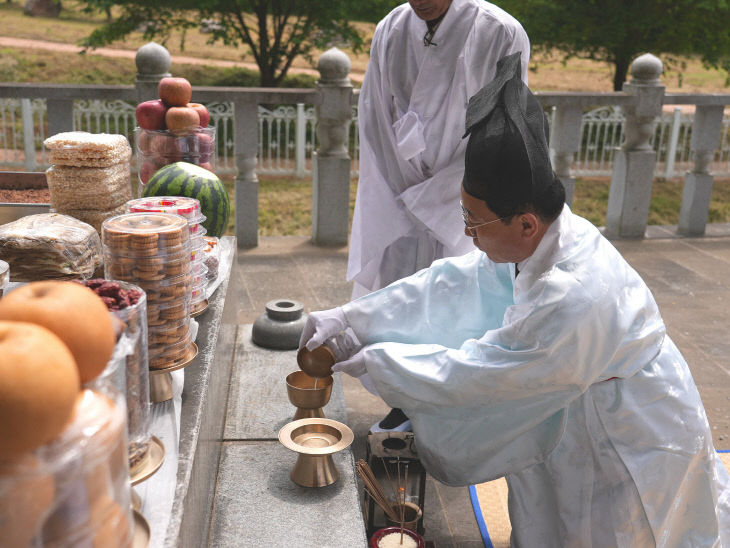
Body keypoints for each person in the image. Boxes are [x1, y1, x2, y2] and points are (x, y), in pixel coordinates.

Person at [301, 53, 730, 546]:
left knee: (624, 526)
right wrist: (355, 321)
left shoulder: (575, 294)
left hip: (630, 429)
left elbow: (482, 374)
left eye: (473, 222)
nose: (466, 233)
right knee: (553, 514)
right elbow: (454, 284)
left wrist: (375, 360)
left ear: (525, 223)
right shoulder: (548, 238)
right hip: (571, 399)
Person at [348, 0, 530, 300]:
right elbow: (375, 119)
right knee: (393, 306)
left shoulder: (500, 32)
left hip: (460, 209)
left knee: (456, 306)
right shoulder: (390, 30)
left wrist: (434, 201)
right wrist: (407, 195)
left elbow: (503, 130)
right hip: (400, 205)